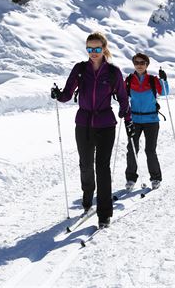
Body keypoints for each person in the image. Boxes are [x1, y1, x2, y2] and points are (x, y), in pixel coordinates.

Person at [51, 32, 130, 228]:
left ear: (104, 48)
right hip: (84, 123)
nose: (93, 53)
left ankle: (104, 214)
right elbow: (68, 94)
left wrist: (125, 113)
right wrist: (58, 95)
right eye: (89, 49)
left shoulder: (113, 72)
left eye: (97, 49)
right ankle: (88, 200)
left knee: (102, 168)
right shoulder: (79, 69)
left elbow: (122, 96)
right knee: (85, 165)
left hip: (105, 124)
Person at [123, 53, 169, 191]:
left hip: (151, 120)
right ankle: (131, 179)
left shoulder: (153, 80)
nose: (139, 65)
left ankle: (155, 178)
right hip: (134, 120)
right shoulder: (129, 80)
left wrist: (164, 80)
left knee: (150, 150)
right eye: (136, 62)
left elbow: (165, 92)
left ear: (147, 64)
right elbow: (123, 96)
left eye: (142, 62)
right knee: (132, 149)